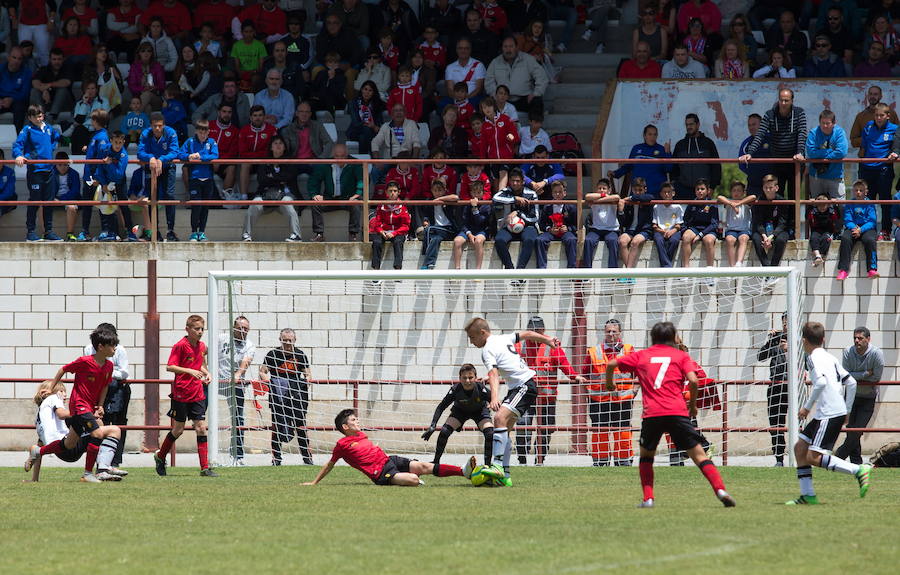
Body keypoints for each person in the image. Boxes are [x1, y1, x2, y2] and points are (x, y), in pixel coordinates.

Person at [605, 321, 735, 507]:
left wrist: (610, 384)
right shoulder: (680, 356)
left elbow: (611, 364)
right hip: (677, 411)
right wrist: (692, 406)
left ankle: (648, 499)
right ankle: (720, 490)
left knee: (647, 457)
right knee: (699, 456)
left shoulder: (642, 355)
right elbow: (694, 381)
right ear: (673, 336)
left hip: (652, 413)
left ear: (653, 337)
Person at [464, 316, 561, 485]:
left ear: (482, 333)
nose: (471, 342)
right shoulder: (503, 337)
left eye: (472, 337)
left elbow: (493, 374)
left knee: (499, 419)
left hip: (524, 385)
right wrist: (548, 340)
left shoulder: (487, 350)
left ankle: (497, 466)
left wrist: (494, 398)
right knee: (504, 429)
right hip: (522, 387)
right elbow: (529, 334)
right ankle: (505, 477)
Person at [786, 322, 871, 505]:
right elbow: (851, 383)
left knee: (813, 457)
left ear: (803, 341)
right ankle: (808, 495)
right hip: (831, 412)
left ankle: (858, 470)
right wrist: (847, 410)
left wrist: (807, 407)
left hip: (828, 413)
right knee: (800, 448)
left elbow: (821, 383)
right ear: (823, 340)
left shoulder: (813, 358)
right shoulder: (829, 357)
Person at [35, 326, 124, 482]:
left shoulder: (109, 366)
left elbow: (104, 386)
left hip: (89, 406)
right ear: (101, 347)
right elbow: (63, 369)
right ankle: (88, 474)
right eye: (111, 345)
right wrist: (50, 388)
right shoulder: (84, 361)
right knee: (97, 433)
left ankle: (38, 451)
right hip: (78, 405)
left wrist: (101, 405)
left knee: (68, 444)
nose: (114, 348)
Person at [305, 409, 474, 486]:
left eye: (357, 419)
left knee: (423, 466)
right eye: (354, 420)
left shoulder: (362, 435)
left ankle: (463, 471)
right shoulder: (341, 445)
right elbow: (330, 464)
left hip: (389, 460)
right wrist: (314, 482)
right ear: (345, 427)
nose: (358, 422)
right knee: (414, 479)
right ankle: (407, 478)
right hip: (381, 474)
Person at [515, 316, 585, 466]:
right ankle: (522, 459)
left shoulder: (552, 346)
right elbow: (504, 364)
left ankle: (540, 459)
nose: (534, 333)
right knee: (522, 425)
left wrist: (574, 376)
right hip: (525, 397)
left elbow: (563, 363)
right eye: (532, 330)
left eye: (537, 330)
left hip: (547, 399)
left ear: (543, 331)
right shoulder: (519, 347)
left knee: (546, 429)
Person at [155, 315, 217, 477]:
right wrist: (190, 371)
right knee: (178, 430)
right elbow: (170, 367)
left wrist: (207, 373)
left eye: (202, 329)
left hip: (197, 393)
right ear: (187, 329)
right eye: (197, 329)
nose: (200, 332)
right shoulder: (180, 346)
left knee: (201, 428)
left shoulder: (202, 346)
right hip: (181, 394)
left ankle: (204, 468)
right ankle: (160, 456)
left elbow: (200, 364)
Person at [738, 88, 807, 200]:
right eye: (781, 100)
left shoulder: (799, 113)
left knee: (794, 197)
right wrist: (750, 153)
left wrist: (800, 152)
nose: (783, 103)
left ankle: (793, 218)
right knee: (777, 196)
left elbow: (802, 133)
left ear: (792, 101)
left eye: (786, 100)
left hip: (795, 161)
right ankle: (779, 218)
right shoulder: (769, 114)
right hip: (777, 163)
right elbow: (760, 134)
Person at [422, 363, 494, 467]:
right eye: (464, 378)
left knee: (490, 433)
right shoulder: (455, 390)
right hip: (460, 411)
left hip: (480, 411)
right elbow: (441, 407)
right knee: (444, 431)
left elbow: (495, 401)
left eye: (470, 377)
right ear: (459, 378)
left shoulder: (481, 389)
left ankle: (488, 466)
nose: (467, 381)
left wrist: (494, 406)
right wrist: (433, 425)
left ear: (476, 378)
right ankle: (436, 462)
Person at [260, 328, 313, 466]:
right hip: (278, 397)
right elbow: (263, 371)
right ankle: (276, 459)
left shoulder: (300, 355)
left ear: (295, 340)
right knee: (277, 427)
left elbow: (308, 375)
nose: (288, 343)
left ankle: (307, 459)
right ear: (280, 339)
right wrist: (270, 384)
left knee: (300, 426)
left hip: (296, 397)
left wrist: (303, 386)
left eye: (290, 340)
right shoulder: (272, 354)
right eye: (285, 340)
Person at [83, 323, 130, 476]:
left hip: (117, 390)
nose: (113, 346)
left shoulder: (120, 350)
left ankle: (114, 463)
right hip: (97, 388)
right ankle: (100, 464)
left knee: (118, 424)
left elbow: (124, 373)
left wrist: (108, 372)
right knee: (99, 424)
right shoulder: (89, 348)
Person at [834, 328, 884, 466]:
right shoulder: (848, 352)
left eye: (860, 338)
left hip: (868, 397)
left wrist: (854, 375)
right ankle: (856, 462)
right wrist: (864, 374)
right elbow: (845, 375)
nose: (857, 341)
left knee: (857, 431)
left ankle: (838, 457)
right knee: (852, 430)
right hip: (851, 396)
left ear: (868, 339)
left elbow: (876, 377)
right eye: (855, 338)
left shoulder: (876, 353)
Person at [13, 104, 62, 242]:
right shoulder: (27, 130)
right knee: (34, 201)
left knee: (48, 202)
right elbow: (17, 145)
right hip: (35, 171)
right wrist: (18, 155)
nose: (39, 118)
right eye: (36, 116)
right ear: (30, 117)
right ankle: (30, 232)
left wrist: (51, 150)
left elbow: (56, 138)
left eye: (41, 115)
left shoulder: (48, 128)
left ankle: (48, 231)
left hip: (49, 170)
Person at [242, 134, 302, 242]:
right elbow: (262, 179)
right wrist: (279, 178)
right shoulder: (264, 162)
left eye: (281, 143)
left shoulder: (290, 161)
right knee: (254, 205)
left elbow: (289, 176)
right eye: (275, 143)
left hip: (285, 194)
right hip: (265, 194)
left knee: (288, 205)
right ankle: (246, 235)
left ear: (284, 147)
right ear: (271, 147)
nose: (278, 146)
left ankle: (296, 235)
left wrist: (272, 176)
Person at [218, 316, 257, 466]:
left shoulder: (249, 345)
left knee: (238, 418)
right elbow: (204, 352)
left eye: (246, 328)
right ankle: (206, 455)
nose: (243, 331)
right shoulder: (222, 338)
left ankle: (237, 456)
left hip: (236, 384)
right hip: (216, 381)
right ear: (233, 328)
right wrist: (208, 371)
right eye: (240, 328)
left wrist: (238, 375)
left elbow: (246, 361)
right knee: (200, 415)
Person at [858, 102, 898, 240]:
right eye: (876, 115)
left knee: (885, 202)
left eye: (881, 115)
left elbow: (897, 147)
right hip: (867, 170)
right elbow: (863, 146)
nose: (878, 118)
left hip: (883, 170)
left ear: (888, 116)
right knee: (867, 202)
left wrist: (895, 153)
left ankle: (885, 231)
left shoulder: (894, 129)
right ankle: (868, 229)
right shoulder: (868, 127)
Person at [307, 143, 363, 242]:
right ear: (333, 155)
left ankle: (352, 234)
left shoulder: (355, 163)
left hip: (348, 197)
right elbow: (313, 180)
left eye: (342, 156)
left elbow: (362, 180)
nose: (339, 159)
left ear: (347, 155)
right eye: (337, 156)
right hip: (330, 197)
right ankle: (319, 234)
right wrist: (315, 194)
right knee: (315, 203)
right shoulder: (326, 164)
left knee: (356, 204)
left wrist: (357, 194)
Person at [138, 112, 180, 241]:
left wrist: (161, 159)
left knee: (169, 196)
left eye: (160, 125)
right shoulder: (146, 133)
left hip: (168, 167)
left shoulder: (171, 132)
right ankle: (154, 231)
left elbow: (175, 151)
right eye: (155, 125)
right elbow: (140, 152)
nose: (157, 128)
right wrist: (150, 157)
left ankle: (170, 230)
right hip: (152, 168)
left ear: (164, 125)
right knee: (152, 197)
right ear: (150, 125)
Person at [485, 36, 548, 115]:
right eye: (505, 47)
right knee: (487, 103)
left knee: (537, 101)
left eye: (511, 46)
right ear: (502, 48)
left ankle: (535, 127)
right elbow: (488, 81)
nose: (508, 50)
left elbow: (542, 77)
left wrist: (536, 93)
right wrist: (495, 95)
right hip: (502, 100)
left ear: (517, 47)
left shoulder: (528, 59)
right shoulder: (495, 62)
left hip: (524, 99)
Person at [180, 119, 220, 242]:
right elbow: (180, 154)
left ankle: (202, 232)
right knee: (196, 206)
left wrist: (200, 157)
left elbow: (215, 155)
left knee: (205, 207)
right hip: (194, 179)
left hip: (208, 179)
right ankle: (193, 232)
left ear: (208, 132)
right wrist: (188, 156)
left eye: (205, 132)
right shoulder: (190, 141)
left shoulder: (212, 142)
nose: (202, 135)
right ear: (196, 131)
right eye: (200, 132)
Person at [758, 312, 790, 466]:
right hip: (776, 386)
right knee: (776, 424)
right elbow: (760, 357)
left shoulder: (801, 340)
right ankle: (779, 458)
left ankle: (801, 457)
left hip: (793, 388)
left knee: (800, 424)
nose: (785, 325)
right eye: (784, 322)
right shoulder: (776, 339)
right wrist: (770, 342)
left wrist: (788, 349)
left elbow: (806, 362)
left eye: (788, 322)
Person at [493, 168, 540, 273]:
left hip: (528, 226)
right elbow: (495, 198)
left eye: (518, 181)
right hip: (508, 227)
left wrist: (518, 214)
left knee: (529, 240)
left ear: (523, 182)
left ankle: (520, 271)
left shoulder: (531, 194)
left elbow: (535, 217)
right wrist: (515, 199)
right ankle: (510, 270)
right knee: (499, 240)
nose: (515, 183)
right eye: (513, 181)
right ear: (509, 181)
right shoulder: (506, 192)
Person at [836, 180, 879, 281]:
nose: (858, 192)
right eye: (856, 190)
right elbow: (847, 220)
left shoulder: (870, 203)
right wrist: (855, 228)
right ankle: (843, 270)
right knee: (845, 239)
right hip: (853, 227)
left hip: (867, 227)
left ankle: (872, 269)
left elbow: (872, 221)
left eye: (861, 190)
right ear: (853, 192)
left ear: (866, 192)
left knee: (870, 240)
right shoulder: (850, 203)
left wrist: (861, 229)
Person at [671, 113, 720, 200]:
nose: (689, 127)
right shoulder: (680, 145)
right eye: (687, 125)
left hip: (703, 190)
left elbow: (716, 167)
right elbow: (674, 168)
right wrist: (676, 185)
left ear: (698, 124)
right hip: (682, 190)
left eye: (691, 124)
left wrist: (712, 187)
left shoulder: (708, 143)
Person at [237, 105, 278, 207]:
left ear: (264, 117)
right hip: (249, 162)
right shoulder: (244, 130)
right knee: (244, 164)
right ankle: (244, 198)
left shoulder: (271, 130)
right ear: (250, 117)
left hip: (265, 162)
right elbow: (242, 152)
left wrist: (259, 156)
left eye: (260, 115)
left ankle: (264, 196)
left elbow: (272, 151)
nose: (258, 118)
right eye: (255, 115)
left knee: (266, 165)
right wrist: (258, 155)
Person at [805, 110, 848, 202]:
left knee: (839, 206)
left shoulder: (839, 132)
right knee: (816, 205)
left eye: (827, 123)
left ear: (834, 123)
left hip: (835, 176)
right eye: (822, 123)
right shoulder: (813, 133)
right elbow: (811, 152)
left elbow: (841, 152)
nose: (825, 126)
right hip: (816, 176)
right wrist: (830, 151)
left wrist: (820, 154)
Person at [751, 174, 792, 269]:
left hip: (778, 231)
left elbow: (783, 222)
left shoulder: (782, 201)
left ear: (776, 188)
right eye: (766, 187)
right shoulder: (759, 202)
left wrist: (772, 236)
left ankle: (774, 269)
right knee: (756, 239)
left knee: (781, 240)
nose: (768, 190)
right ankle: (767, 269)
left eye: (770, 187)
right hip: (764, 231)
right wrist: (765, 236)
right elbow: (758, 221)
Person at [420, 179, 463, 270]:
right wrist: (425, 221)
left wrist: (439, 199)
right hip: (437, 231)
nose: (437, 193)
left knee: (428, 230)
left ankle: (425, 254)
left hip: (448, 229)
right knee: (435, 240)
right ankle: (429, 263)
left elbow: (456, 197)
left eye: (440, 190)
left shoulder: (447, 201)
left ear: (444, 190)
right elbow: (427, 215)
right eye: (435, 190)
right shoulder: (430, 202)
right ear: (431, 191)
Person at [536, 180, 578, 269]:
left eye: (560, 192)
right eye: (555, 192)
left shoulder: (571, 207)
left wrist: (568, 228)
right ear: (552, 193)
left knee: (571, 240)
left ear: (565, 193)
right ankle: (541, 269)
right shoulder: (547, 206)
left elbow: (576, 224)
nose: (557, 194)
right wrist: (549, 229)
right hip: (552, 232)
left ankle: (572, 270)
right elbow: (541, 223)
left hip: (565, 232)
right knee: (540, 240)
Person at [369, 181, 410, 271]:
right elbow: (377, 223)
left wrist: (395, 233)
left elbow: (405, 226)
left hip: (398, 232)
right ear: (386, 192)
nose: (392, 193)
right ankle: (375, 270)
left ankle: (397, 269)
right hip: (384, 232)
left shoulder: (402, 206)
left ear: (399, 192)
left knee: (398, 242)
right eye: (390, 191)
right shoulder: (381, 206)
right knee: (376, 242)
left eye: (395, 191)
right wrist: (380, 231)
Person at [582, 178, 622, 269]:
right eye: (599, 188)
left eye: (604, 188)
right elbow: (587, 196)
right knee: (588, 241)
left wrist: (598, 200)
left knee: (612, 241)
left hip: (611, 229)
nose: (601, 190)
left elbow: (617, 197)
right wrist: (602, 197)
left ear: (609, 190)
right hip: (596, 229)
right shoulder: (593, 197)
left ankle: (613, 273)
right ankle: (587, 273)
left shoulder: (612, 199)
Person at [617, 179, 655, 274]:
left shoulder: (648, 198)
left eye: (640, 190)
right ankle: (630, 273)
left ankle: (628, 273)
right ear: (632, 190)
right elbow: (623, 223)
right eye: (635, 190)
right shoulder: (629, 203)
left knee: (635, 242)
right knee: (622, 241)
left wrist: (631, 197)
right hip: (631, 229)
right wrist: (621, 211)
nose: (637, 192)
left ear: (645, 189)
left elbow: (649, 197)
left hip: (644, 230)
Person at [680, 179, 719, 268]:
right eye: (697, 189)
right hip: (695, 228)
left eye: (702, 189)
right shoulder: (692, 203)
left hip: (708, 229)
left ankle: (710, 271)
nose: (700, 191)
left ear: (708, 191)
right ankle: (686, 269)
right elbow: (685, 220)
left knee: (709, 241)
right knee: (686, 237)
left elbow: (714, 224)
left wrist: (700, 235)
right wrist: (685, 230)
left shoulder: (712, 204)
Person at [453, 180, 492, 270]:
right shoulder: (466, 205)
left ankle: (478, 270)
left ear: (483, 193)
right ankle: (457, 269)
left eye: (479, 192)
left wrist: (474, 208)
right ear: (471, 193)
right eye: (474, 192)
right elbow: (463, 222)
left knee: (478, 241)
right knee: (457, 241)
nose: (476, 195)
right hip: (468, 230)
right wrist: (469, 234)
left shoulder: (486, 205)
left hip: (481, 230)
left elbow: (480, 221)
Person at [849, 86, 899, 155]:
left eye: (875, 94)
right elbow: (853, 141)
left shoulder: (891, 114)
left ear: (881, 96)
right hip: (866, 159)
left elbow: (898, 136)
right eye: (870, 94)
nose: (872, 96)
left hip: (886, 159)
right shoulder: (861, 116)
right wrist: (870, 139)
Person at [30, 49, 73, 124]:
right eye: (54, 59)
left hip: (65, 104)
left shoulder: (67, 69)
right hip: (47, 103)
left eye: (59, 59)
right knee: (34, 91)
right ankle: (41, 116)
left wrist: (49, 85)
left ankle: (51, 117)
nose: (57, 62)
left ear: (63, 59)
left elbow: (66, 82)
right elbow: (35, 82)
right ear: (50, 59)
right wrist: (43, 90)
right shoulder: (44, 69)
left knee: (62, 90)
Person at [718, 181, 755, 267]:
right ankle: (732, 266)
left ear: (743, 192)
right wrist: (732, 204)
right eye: (734, 190)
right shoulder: (728, 202)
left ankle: (739, 263)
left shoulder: (746, 203)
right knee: (730, 240)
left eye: (739, 190)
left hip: (744, 230)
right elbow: (719, 197)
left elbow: (753, 197)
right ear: (731, 192)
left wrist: (738, 203)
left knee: (744, 238)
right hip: (731, 229)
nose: (736, 193)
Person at [49, 151, 81, 241]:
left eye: (65, 165)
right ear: (55, 164)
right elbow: (47, 189)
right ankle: (45, 233)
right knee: (40, 206)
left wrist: (61, 200)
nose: (63, 167)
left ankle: (70, 234)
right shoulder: (49, 174)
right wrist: (53, 199)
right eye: (60, 165)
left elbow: (75, 191)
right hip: (53, 199)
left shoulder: (74, 174)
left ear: (68, 164)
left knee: (71, 207)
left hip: (68, 199)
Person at [651, 181, 684, 268]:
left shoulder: (677, 207)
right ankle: (667, 266)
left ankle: (665, 264)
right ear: (661, 194)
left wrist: (671, 231)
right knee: (658, 240)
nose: (666, 194)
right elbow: (654, 225)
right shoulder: (656, 207)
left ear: (673, 193)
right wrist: (662, 231)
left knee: (674, 240)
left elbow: (678, 225)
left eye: (669, 192)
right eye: (664, 192)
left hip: (673, 230)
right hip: (660, 230)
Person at [346, 80, 384, 154]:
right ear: (361, 90)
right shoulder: (353, 103)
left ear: (373, 93)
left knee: (363, 137)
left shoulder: (377, 104)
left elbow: (379, 123)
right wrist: (369, 125)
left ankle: (363, 160)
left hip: (370, 132)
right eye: (365, 89)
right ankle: (372, 158)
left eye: (370, 90)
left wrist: (374, 126)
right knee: (366, 130)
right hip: (355, 131)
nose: (367, 92)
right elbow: (355, 123)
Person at [0, 46, 33, 130]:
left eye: (19, 59)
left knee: (20, 107)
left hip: (17, 101)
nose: (16, 61)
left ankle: (17, 136)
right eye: (14, 57)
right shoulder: (1, 69)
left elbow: (25, 94)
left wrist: (12, 99)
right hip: (1, 99)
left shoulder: (27, 72)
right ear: (8, 57)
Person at [807, 193, 840, 266]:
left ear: (828, 205)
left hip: (828, 231)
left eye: (824, 205)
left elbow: (838, 217)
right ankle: (817, 255)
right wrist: (810, 205)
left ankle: (820, 256)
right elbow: (807, 216)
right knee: (813, 238)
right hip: (816, 230)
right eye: (820, 205)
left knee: (825, 239)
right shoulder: (814, 211)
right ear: (816, 205)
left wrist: (835, 205)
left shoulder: (831, 211)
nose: (822, 207)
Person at [0, 149, 16, 217]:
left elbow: (9, 191)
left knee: (13, 197)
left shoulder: (9, 172)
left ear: (4, 160)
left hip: (5, 199)